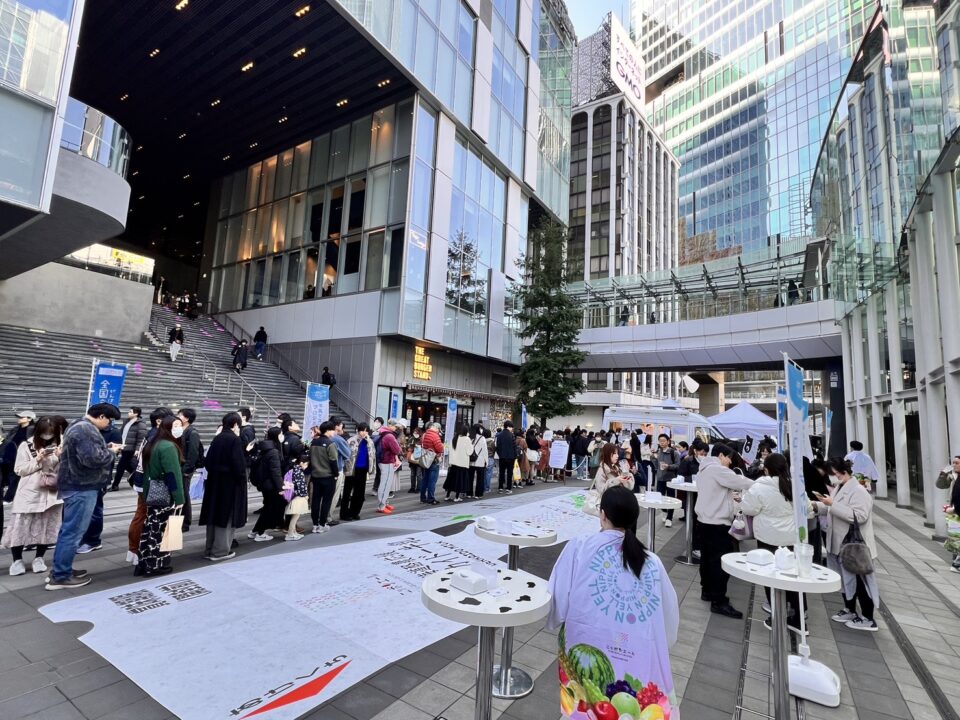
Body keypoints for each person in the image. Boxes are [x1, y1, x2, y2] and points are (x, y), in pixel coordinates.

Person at [548, 486, 679, 719]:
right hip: (637, 653)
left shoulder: (580, 547)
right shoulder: (652, 561)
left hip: (585, 649)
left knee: (587, 704)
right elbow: (668, 619)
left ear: (603, 514)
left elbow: (557, 598)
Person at [47, 403, 122, 590]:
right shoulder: (86, 429)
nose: (109, 424)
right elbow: (93, 459)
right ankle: (61, 576)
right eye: (110, 420)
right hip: (81, 487)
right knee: (73, 533)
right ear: (102, 416)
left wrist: (104, 447)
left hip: (75, 485)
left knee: (68, 531)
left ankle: (60, 570)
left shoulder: (78, 424)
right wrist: (111, 452)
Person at [739, 452, 810, 631]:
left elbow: (748, 509)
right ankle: (799, 617)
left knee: (770, 574)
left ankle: (777, 615)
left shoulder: (759, 486)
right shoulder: (794, 485)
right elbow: (807, 509)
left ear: (766, 469)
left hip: (768, 537)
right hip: (791, 537)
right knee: (793, 576)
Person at [811, 457, 879, 631]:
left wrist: (832, 504)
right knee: (845, 579)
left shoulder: (859, 491)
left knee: (860, 580)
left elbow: (859, 516)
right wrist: (817, 505)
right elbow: (832, 508)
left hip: (854, 545)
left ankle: (868, 617)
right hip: (840, 542)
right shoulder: (840, 487)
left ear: (843, 472)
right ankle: (850, 609)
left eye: (834, 473)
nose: (832, 477)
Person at [695, 443, 754, 617]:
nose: (730, 462)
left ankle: (707, 591)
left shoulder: (704, 469)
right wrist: (763, 484)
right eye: (729, 458)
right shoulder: (717, 469)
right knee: (719, 562)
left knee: (707, 559)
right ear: (721, 455)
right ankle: (719, 600)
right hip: (717, 524)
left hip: (704, 521)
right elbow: (741, 481)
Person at [2, 417, 62, 576]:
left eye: (52, 432)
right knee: (20, 527)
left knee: (46, 527)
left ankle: (39, 558)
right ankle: (17, 560)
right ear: (38, 431)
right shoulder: (26, 445)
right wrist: (38, 459)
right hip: (29, 493)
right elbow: (19, 470)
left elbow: (61, 470)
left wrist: (60, 457)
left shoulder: (59, 445)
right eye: (46, 432)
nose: (48, 435)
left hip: (51, 493)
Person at [138, 416, 185, 577]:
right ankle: (155, 565)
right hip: (164, 494)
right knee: (160, 531)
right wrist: (179, 498)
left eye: (180, 425)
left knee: (151, 527)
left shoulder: (154, 443)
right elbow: (173, 474)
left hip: (152, 491)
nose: (179, 428)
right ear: (167, 427)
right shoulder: (168, 447)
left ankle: (145, 562)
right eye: (175, 425)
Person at [126, 407, 172, 566]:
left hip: (143, 480)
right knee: (144, 515)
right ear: (159, 421)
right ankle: (138, 550)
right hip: (150, 482)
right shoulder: (157, 437)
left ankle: (135, 551)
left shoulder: (151, 434)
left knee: (142, 514)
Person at [199, 412, 247, 561]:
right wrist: (241, 479)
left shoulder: (217, 438)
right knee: (227, 516)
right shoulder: (235, 439)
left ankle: (209, 549)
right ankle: (220, 551)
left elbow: (207, 461)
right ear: (236, 424)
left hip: (214, 483)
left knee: (214, 514)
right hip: (230, 484)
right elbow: (239, 465)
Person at [76, 418, 121, 554]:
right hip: (85, 478)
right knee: (85, 511)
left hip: (100, 477)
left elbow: (106, 457)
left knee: (95, 511)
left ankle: (93, 541)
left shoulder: (113, 432)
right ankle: (84, 539)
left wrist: (111, 450)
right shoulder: (90, 431)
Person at [249, 427, 284, 542]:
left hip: (264, 483)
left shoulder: (264, 448)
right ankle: (260, 533)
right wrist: (280, 488)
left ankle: (255, 531)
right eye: (281, 434)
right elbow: (275, 471)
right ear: (277, 436)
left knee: (267, 508)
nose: (282, 436)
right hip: (271, 485)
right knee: (270, 509)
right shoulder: (273, 451)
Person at [309, 421, 339, 531]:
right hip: (328, 476)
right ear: (328, 430)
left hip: (315, 476)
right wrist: (336, 474)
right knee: (326, 501)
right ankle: (322, 524)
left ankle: (315, 525)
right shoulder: (330, 444)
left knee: (315, 500)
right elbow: (333, 461)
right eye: (333, 430)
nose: (334, 432)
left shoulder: (313, 442)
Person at [342, 423, 374, 521]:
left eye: (366, 431)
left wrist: (371, 469)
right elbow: (346, 455)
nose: (364, 433)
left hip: (363, 469)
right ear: (358, 430)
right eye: (362, 430)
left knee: (359, 492)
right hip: (352, 469)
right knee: (347, 492)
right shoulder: (351, 440)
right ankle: (344, 514)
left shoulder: (370, 442)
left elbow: (372, 455)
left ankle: (355, 512)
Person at [2, 411, 36, 504]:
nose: (19, 419)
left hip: (22, 457)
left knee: (15, 476)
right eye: (19, 417)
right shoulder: (15, 429)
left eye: (22, 417)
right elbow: (7, 441)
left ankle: (9, 498)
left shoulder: (33, 430)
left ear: (29, 419)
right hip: (10, 456)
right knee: (9, 476)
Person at [177, 408, 202, 532]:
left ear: (186, 418)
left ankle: (185, 522)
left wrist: (186, 470)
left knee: (184, 495)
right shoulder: (180, 430)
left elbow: (193, 453)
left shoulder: (192, 433)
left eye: (180, 415)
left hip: (185, 469)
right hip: (178, 467)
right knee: (180, 493)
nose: (177, 416)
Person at [111, 407, 148, 491]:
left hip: (131, 449)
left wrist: (137, 449)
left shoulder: (140, 424)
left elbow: (141, 438)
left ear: (136, 414)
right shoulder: (126, 421)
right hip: (124, 447)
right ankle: (136, 477)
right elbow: (121, 433)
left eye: (130, 412)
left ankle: (115, 485)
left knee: (120, 466)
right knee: (127, 465)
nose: (128, 413)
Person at [374, 419, 402, 513]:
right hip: (387, 461)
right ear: (391, 426)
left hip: (383, 460)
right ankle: (381, 506)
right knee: (385, 484)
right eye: (395, 426)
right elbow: (397, 450)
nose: (396, 428)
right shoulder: (390, 436)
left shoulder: (383, 433)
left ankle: (385, 503)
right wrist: (399, 447)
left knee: (385, 483)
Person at [655, 434, 681, 527]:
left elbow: (678, 465)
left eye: (663, 441)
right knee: (660, 497)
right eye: (660, 441)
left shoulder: (674, 453)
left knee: (671, 499)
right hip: (660, 478)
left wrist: (668, 466)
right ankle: (664, 511)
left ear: (668, 441)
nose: (662, 443)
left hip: (670, 479)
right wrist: (653, 457)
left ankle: (669, 518)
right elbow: (656, 465)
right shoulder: (659, 452)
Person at [939, 456, 960, 572]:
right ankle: (956, 563)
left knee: (957, 536)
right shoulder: (952, 475)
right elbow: (940, 485)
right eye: (953, 463)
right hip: (954, 510)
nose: (954, 465)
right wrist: (942, 475)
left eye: (957, 463)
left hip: (955, 509)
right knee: (955, 535)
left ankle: (956, 563)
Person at [285, 452, 310, 539]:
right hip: (299, 496)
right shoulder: (299, 472)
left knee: (295, 515)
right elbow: (301, 485)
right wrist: (305, 495)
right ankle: (290, 534)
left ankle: (294, 532)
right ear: (301, 463)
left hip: (295, 495)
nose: (306, 466)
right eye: (306, 464)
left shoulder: (294, 469)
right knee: (296, 515)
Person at [444, 424, 471, 502]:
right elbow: (470, 451)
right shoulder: (467, 439)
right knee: (460, 481)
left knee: (451, 480)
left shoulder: (454, 438)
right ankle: (456, 497)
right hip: (462, 463)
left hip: (453, 463)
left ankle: (447, 496)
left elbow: (450, 449)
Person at [419, 422, 444, 505]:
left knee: (425, 479)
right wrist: (442, 445)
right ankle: (431, 499)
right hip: (433, 460)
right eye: (439, 430)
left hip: (427, 460)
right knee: (432, 481)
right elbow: (440, 449)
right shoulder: (435, 436)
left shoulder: (426, 434)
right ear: (437, 428)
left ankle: (423, 498)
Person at [496, 421, 517, 493]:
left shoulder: (499, 435)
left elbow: (497, 447)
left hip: (502, 456)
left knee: (501, 472)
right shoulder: (511, 435)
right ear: (508, 427)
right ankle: (508, 488)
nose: (512, 429)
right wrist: (515, 456)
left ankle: (500, 487)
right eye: (511, 427)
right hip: (510, 457)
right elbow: (514, 447)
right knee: (509, 473)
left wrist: (500, 454)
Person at [469, 424, 488, 498]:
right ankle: (478, 494)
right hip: (480, 461)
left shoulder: (470, 437)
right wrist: (486, 461)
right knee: (480, 478)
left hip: (471, 460)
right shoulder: (482, 438)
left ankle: (469, 493)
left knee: (470, 478)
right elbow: (485, 451)